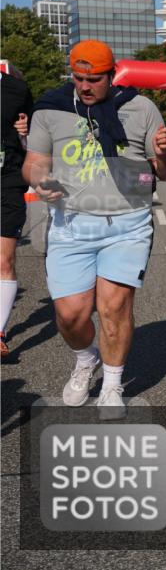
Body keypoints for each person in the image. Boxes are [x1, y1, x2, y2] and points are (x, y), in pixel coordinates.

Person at [22, 39, 166, 417]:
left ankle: (112, 383)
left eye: (94, 79)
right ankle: (85, 358)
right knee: (71, 316)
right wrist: (41, 180)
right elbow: (34, 162)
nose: (85, 86)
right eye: (78, 78)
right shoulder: (51, 107)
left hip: (128, 223)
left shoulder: (140, 108)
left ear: (111, 75)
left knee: (114, 306)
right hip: (71, 223)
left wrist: (162, 154)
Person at [1, 69, 33, 358]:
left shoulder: (16, 89)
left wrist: (25, 133)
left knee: (3, 259)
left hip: (7, 181)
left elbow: (35, 133)